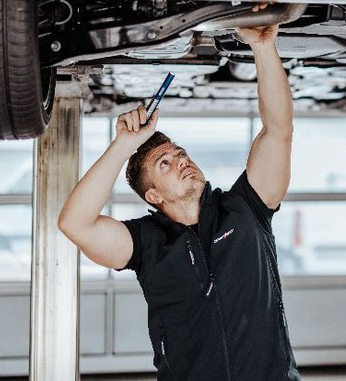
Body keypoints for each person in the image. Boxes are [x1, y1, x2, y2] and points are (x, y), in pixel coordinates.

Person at [57, 19, 300, 380]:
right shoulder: (146, 244)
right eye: (165, 163)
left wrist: (263, 47)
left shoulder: (246, 208)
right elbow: (74, 223)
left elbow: (277, 130)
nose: (182, 161)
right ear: (153, 195)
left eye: (181, 153)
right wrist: (125, 145)